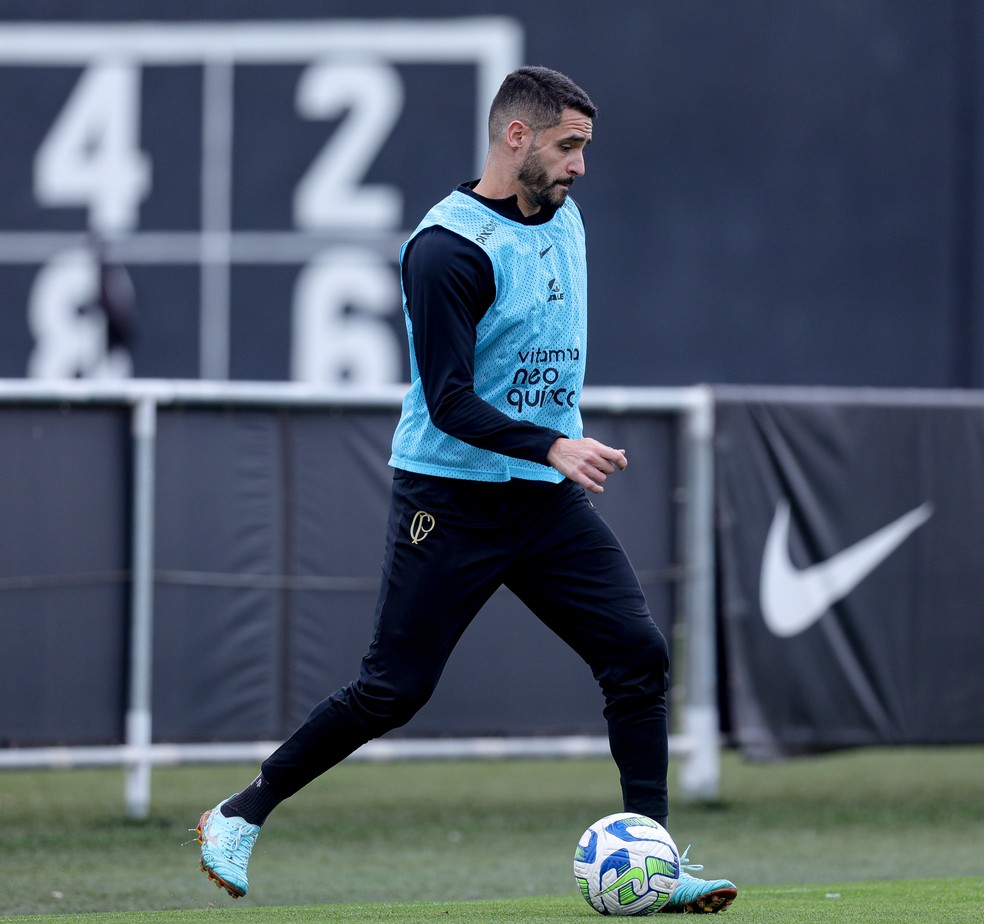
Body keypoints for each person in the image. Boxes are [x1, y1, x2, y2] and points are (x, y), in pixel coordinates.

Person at [196, 65, 737, 914]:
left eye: (585, 149)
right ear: (514, 138)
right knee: (393, 690)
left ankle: (657, 864)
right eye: (568, 146)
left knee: (638, 656)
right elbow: (448, 403)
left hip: (541, 497)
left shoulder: (564, 217)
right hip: (447, 501)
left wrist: (549, 454)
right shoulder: (446, 251)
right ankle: (240, 812)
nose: (580, 167)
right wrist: (555, 443)